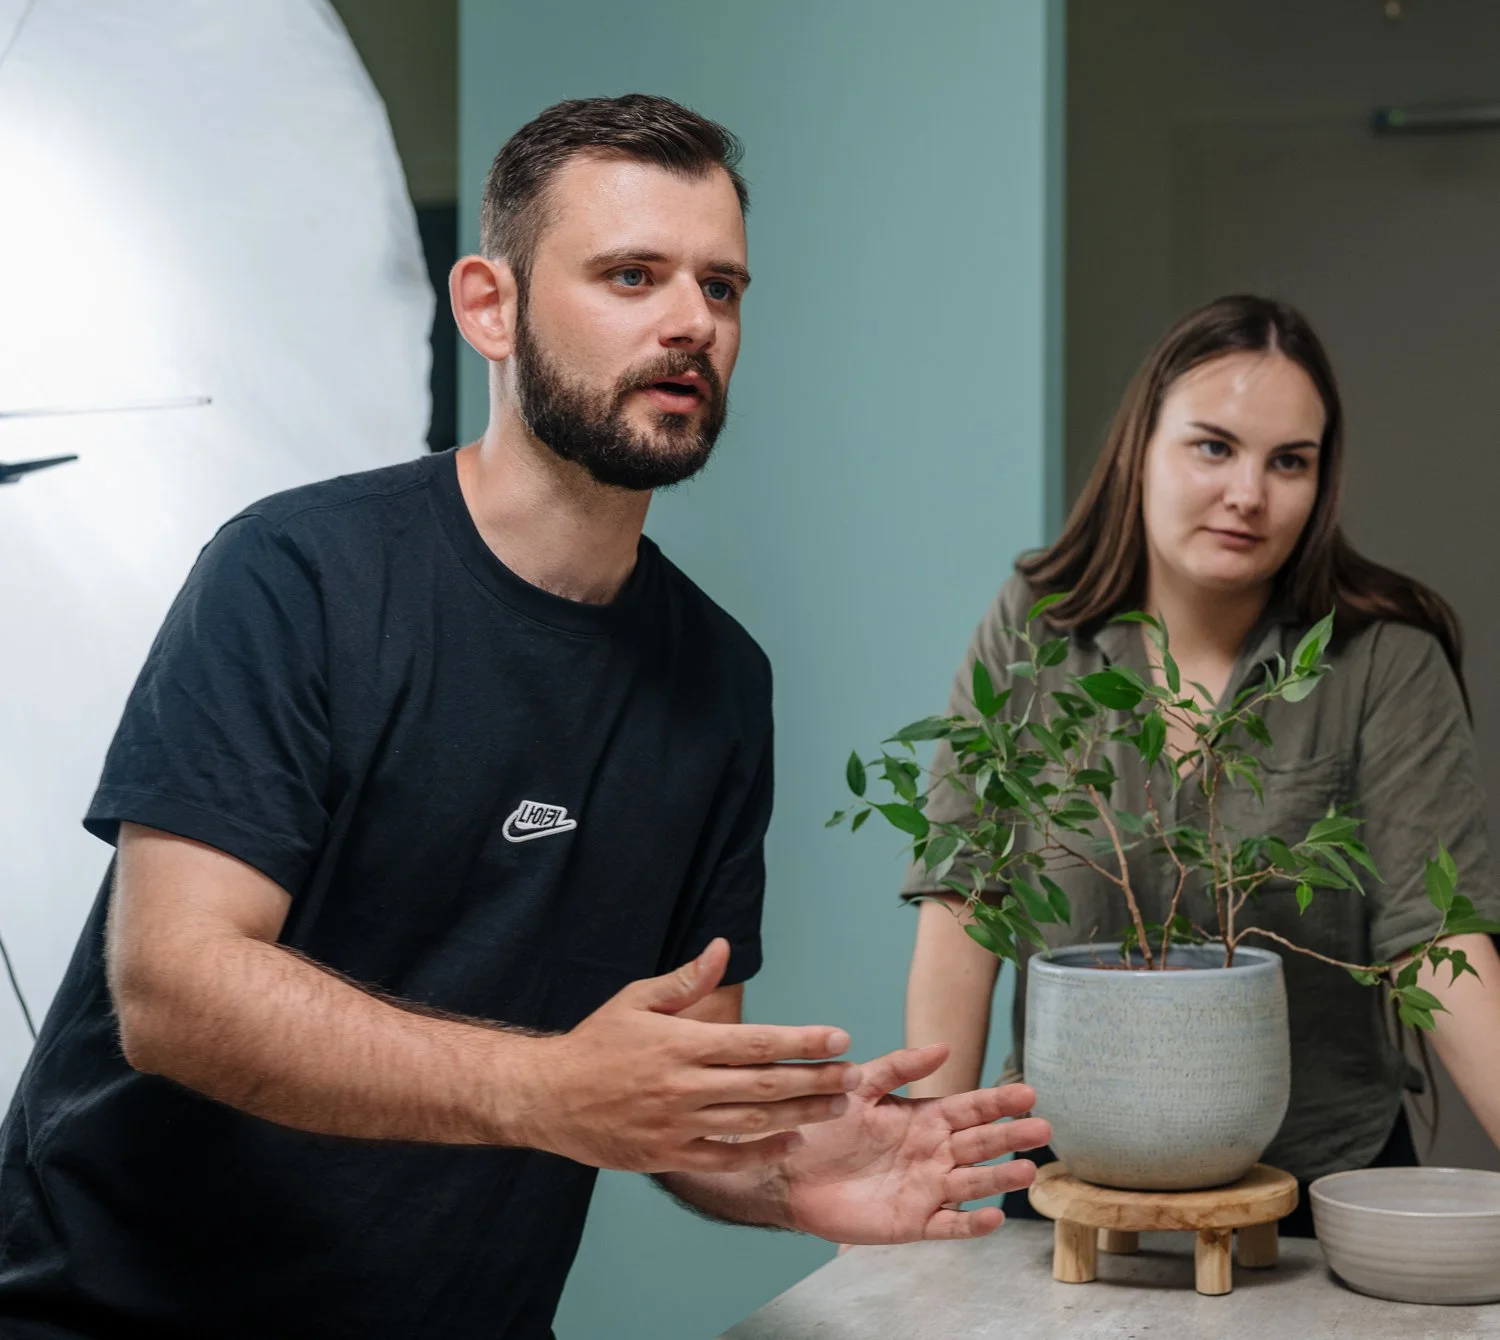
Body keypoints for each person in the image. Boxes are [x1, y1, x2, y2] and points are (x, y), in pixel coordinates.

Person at [0, 95, 1048, 1339]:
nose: (690, 323)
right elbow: (172, 989)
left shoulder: (718, 683)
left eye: (723, 288)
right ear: (489, 306)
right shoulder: (298, 575)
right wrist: (547, 1089)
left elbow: (662, 1080)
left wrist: (778, 1170)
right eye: (631, 275)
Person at [902, 295, 1500, 1233]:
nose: (1250, 495)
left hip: (1313, 1189)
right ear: (1142, 445)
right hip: (1068, 1184)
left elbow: (1442, 942)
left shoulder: (1385, 658)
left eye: (1289, 462)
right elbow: (966, 907)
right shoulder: (1036, 627)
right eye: (1213, 447)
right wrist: (927, 1178)